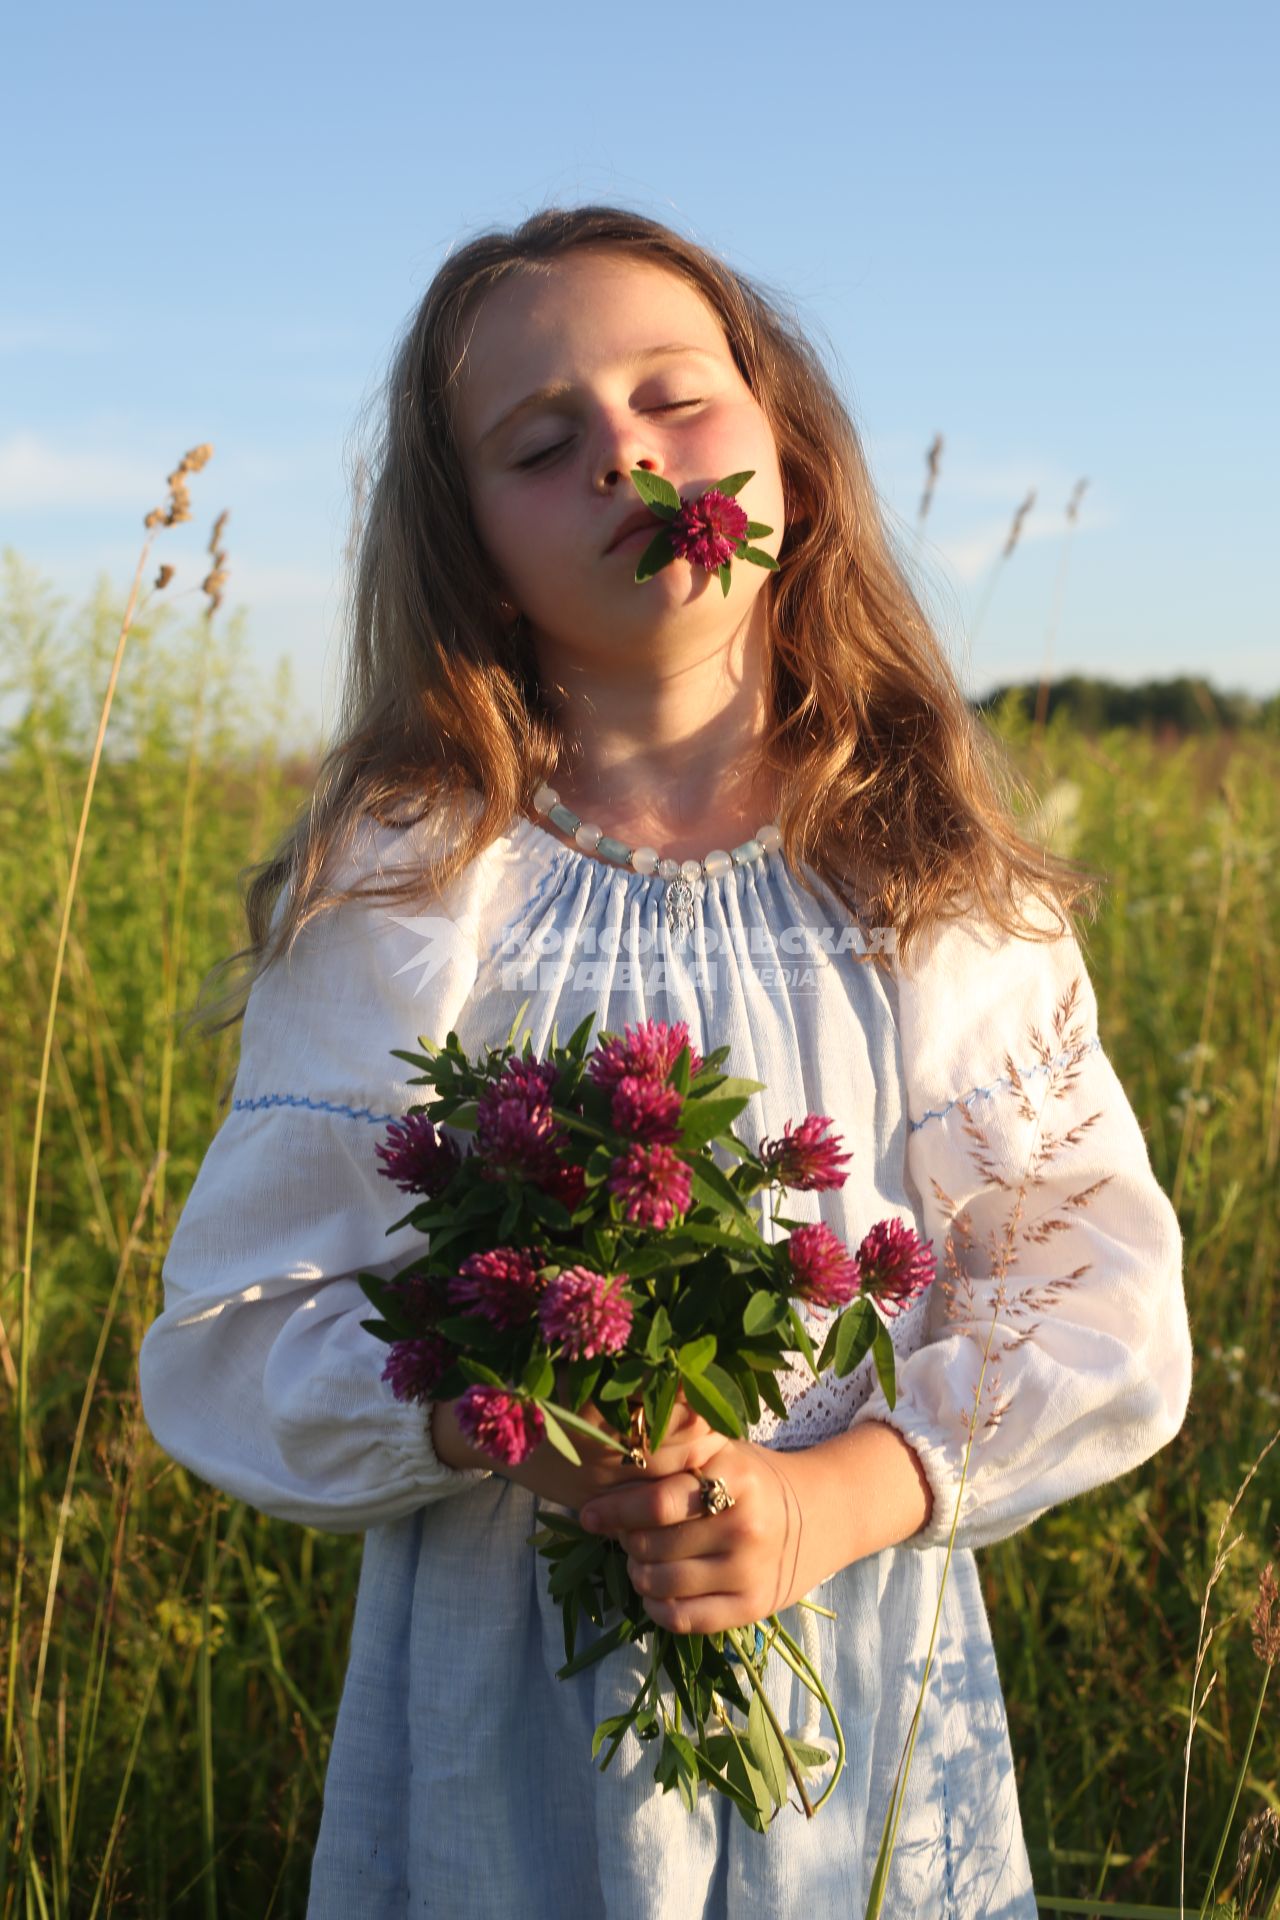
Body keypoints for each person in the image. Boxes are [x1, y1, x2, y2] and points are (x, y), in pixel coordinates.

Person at [139, 205, 1193, 1918]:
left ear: (784, 443)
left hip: (848, 1677)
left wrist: (840, 1495)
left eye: (673, 400)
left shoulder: (922, 872)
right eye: (544, 446)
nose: (628, 452)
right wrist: (525, 1425)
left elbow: (1096, 1290)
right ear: (473, 546)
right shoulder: (414, 884)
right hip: (509, 1702)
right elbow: (239, 1333)